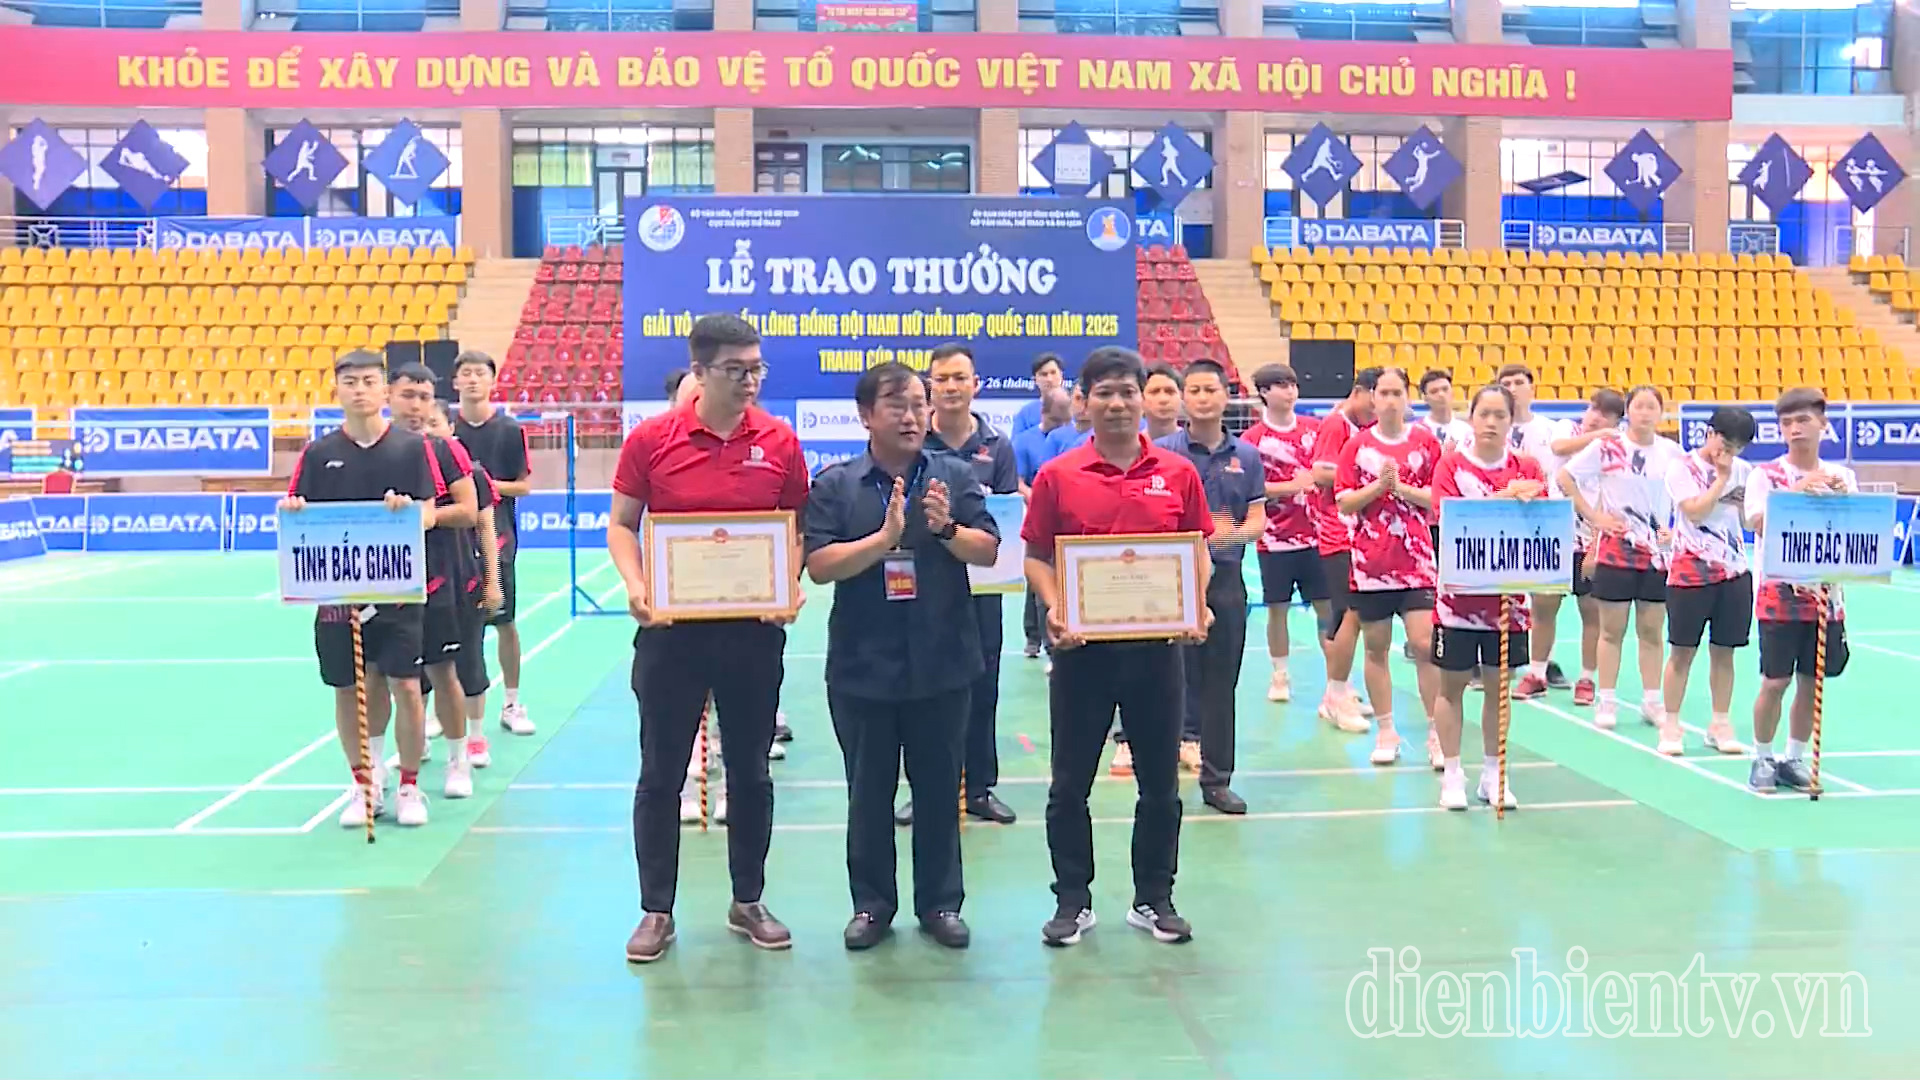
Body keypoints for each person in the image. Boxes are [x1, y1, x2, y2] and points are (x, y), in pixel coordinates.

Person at [608, 313, 808, 964]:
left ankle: (748, 900)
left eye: (757, 369)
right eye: (735, 370)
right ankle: (656, 911)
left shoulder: (779, 440)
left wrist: (789, 582)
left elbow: (795, 527)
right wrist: (636, 585)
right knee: (660, 774)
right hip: (671, 636)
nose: (750, 381)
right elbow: (622, 524)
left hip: (752, 635)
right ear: (699, 371)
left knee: (751, 772)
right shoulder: (651, 440)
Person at [805, 362, 1000, 951]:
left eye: (919, 404)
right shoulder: (836, 485)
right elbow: (819, 566)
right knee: (868, 794)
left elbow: (989, 550)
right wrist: (882, 541)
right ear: (866, 415)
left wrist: (946, 530)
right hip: (862, 668)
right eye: (897, 404)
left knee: (939, 792)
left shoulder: (954, 475)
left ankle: (940, 904)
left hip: (943, 662)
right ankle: (872, 905)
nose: (912, 416)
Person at [1024, 346, 1213, 948]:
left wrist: (1197, 603)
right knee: (1069, 785)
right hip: (1083, 654)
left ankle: (1154, 898)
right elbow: (1036, 557)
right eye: (1103, 392)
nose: (1117, 403)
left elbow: (1197, 551)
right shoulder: (1059, 476)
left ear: (1143, 399)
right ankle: (1071, 901)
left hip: (1156, 652)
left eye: (1127, 391)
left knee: (1159, 785)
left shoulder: (1178, 474)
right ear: (1084, 401)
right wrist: (1055, 605)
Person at [281, 350, 444, 828]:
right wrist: (293, 511)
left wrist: (408, 511)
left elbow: (430, 511)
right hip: (339, 595)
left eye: (369, 381)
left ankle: (409, 785)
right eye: (350, 382)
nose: (359, 390)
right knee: (348, 688)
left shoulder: (412, 448)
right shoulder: (318, 453)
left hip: (398, 590)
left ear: (384, 390)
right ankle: (364, 783)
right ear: (337, 390)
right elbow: (297, 505)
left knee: (406, 687)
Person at [893, 343, 1020, 827]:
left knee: (982, 687)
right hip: (925, 587)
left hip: (984, 586)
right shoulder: (914, 443)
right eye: (941, 379)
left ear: (975, 385)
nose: (950, 387)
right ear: (930, 387)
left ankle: (979, 788)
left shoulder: (997, 447)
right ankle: (925, 790)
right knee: (922, 691)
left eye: (959, 378)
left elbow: (1004, 520)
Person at [1156, 359, 1264, 815]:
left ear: (1226, 396)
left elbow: (1257, 520)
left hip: (1226, 582)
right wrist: (1191, 538)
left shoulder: (1248, 457)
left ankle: (1217, 780)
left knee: (1222, 685)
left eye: (1210, 390)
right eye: (1194, 390)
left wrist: (1229, 535)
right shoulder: (1162, 453)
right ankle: (1159, 779)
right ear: (1184, 398)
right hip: (1170, 581)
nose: (1202, 398)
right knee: (1167, 683)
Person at [1429, 384, 1544, 809]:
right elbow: (1448, 519)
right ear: (1471, 418)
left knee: (1499, 688)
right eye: (1484, 414)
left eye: (1500, 415)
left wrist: (1529, 501)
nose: (1492, 423)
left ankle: (1494, 775)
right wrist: (1504, 498)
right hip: (1457, 602)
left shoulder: (1527, 467)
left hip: (1508, 605)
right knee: (1452, 687)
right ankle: (1453, 774)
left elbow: (1541, 525)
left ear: (1512, 421)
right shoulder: (1451, 466)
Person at [1744, 387, 1856, 794]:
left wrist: (1843, 503)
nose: (1795, 429)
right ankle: (1762, 757)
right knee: (1775, 682)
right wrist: (1798, 489)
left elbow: (1855, 529)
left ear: (1822, 424)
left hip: (1826, 596)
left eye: (1803, 420)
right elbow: (1757, 523)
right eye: (1787, 423)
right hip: (1779, 595)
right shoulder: (1766, 475)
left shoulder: (1843, 476)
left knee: (1812, 682)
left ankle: (1792, 758)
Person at [1558, 385, 1685, 734]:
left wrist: (1675, 531)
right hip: (1615, 552)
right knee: (1611, 631)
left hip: (1656, 556)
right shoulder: (1607, 447)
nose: (1645, 413)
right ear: (1628, 411)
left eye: (1651, 407)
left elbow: (1685, 496)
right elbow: (1565, 476)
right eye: (1638, 406)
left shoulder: (1672, 453)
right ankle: (1607, 700)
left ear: (1661, 413)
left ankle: (1652, 701)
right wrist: (1593, 517)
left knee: (1651, 631)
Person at [1335, 367, 1443, 767]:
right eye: (1384, 393)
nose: (1391, 400)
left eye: (1398, 392)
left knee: (1424, 645)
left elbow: (1438, 498)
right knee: (1376, 646)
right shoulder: (1357, 446)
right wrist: (1378, 488)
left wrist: (1401, 488)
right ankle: (1386, 730)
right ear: (1373, 398)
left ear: (1408, 398)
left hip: (1417, 562)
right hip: (1371, 564)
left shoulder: (1426, 443)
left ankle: (1436, 731)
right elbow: (1344, 501)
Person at [388, 363, 483, 799]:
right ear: (390, 396)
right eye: (408, 395)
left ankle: (458, 760)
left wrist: (427, 517)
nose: (416, 406)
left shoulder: (445, 450)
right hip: (388, 581)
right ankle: (388, 767)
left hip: (441, 578)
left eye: (425, 398)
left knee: (444, 673)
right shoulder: (377, 453)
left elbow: (468, 510)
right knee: (390, 679)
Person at [452, 351, 535, 757]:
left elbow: (524, 486)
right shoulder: (445, 431)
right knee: (453, 628)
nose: (472, 379)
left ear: (492, 381)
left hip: (498, 538)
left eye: (479, 373)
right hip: (453, 540)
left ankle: (512, 702)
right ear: (455, 383)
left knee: (504, 621)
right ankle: (450, 709)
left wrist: (481, 487)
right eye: (465, 373)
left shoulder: (509, 430)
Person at [1661, 405, 1757, 757]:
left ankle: (1720, 723)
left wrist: (1744, 501)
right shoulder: (1681, 468)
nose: (1729, 453)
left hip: (1734, 571)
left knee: (1724, 652)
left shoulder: (1744, 471)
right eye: (1726, 444)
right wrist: (1721, 479)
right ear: (1710, 433)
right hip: (1690, 572)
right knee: (1682, 652)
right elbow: (1695, 511)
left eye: (1738, 448)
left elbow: (1747, 522)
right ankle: (1671, 724)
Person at [1516, 389, 1623, 704]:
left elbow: (1609, 495)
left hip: (1589, 539)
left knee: (1591, 613)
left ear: (1617, 421)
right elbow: (1559, 447)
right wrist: (1599, 436)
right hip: (1553, 535)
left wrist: (1596, 544)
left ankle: (1587, 679)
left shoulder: (1615, 451)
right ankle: (1536, 673)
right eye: (1593, 409)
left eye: (1605, 414)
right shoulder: (1566, 428)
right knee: (1543, 608)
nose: (1596, 417)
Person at [1241, 363, 1325, 705]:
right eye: (1281, 385)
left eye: (1293, 384)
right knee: (1277, 609)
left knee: (1328, 610)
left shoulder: (1315, 430)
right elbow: (1249, 487)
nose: (1290, 391)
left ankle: (1339, 683)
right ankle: (1280, 674)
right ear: (1264, 392)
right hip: (1275, 540)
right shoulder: (1252, 440)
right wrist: (1291, 486)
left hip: (1318, 536)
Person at [426, 401, 506, 746]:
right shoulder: (405, 468)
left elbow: (485, 527)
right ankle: (423, 732)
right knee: (420, 667)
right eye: (422, 424)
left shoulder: (473, 474)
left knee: (469, 661)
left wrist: (493, 582)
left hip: (464, 579)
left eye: (434, 423)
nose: (427, 430)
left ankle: (475, 736)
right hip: (421, 583)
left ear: (450, 428)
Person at [1500, 364, 1579, 695]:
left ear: (1532, 388)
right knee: (1503, 598)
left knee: (1545, 601)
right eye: (1506, 383)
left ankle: (1539, 669)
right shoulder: (1492, 428)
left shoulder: (1553, 430)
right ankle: (1498, 661)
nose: (1514, 387)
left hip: (1546, 521)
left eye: (1519, 382)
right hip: (1504, 520)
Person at [1310, 368, 1381, 731]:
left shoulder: (1371, 428)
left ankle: (1335, 694)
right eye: (1377, 397)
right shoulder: (1337, 425)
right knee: (1348, 612)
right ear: (1360, 391)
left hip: (1364, 533)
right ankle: (1337, 696)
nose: (1380, 406)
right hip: (1337, 531)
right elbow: (1320, 473)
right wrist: (1363, 476)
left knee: (1354, 614)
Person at [1015, 386, 1071, 659]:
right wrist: (1036, 498)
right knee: (1036, 572)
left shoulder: (1069, 437)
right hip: (1035, 510)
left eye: (1065, 419)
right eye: (1056, 419)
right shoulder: (1025, 441)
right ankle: (1033, 636)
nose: (1061, 425)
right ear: (1043, 412)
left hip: (1064, 514)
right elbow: (1018, 480)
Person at [1011, 352, 1065, 437]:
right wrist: (1041, 428)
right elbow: (1016, 443)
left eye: (1053, 373)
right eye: (1044, 374)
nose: (1049, 379)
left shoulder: (1076, 408)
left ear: (1061, 375)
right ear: (1035, 380)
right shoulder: (1025, 414)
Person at [1418, 370, 1473, 451]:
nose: (1441, 394)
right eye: (1434, 391)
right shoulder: (1418, 431)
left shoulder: (1466, 431)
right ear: (1425, 398)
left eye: (1445, 389)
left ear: (1452, 393)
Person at [1046, 386, 1093, 456]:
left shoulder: (1106, 437)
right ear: (1070, 401)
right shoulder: (1055, 437)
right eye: (1078, 398)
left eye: (1089, 399)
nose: (1083, 405)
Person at [1142, 363, 1183, 441]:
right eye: (1154, 392)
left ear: (1181, 396)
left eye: (1170, 391)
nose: (1163, 399)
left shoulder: (1197, 445)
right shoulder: (1130, 445)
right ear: (1141, 398)